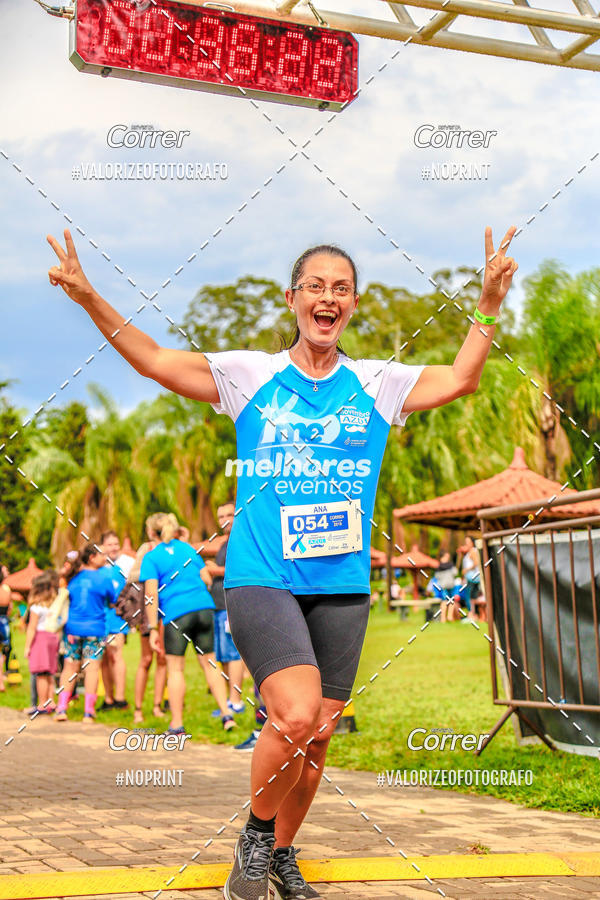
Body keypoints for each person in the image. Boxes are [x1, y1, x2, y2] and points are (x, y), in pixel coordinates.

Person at [47, 224, 517, 900]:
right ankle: (257, 836)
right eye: (316, 287)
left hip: (343, 584)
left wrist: (490, 301)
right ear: (292, 298)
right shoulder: (250, 376)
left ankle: (284, 854)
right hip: (262, 576)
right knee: (293, 716)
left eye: (342, 290)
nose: (329, 299)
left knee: (320, 736)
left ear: (353, 305)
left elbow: (463, 378)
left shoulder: (377, 383)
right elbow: (151, 359)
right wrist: (90, 296)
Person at [138, 512, 234, 733]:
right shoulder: (188, 549)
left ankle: (177, 724)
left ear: (151, 533)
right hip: (204, 607)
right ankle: (227, 716)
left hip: (176, 614)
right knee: (210, 664)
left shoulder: (152, 558)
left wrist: (152, 629)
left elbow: (150, 596)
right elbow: (207, 578)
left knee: (175, 669)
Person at [55, 543, 116, 723]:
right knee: (92, 669)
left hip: (72, 631)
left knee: (69, 667)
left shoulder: (73, 578)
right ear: (92, 558)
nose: (105, 558)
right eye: (102, 555)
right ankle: (88, 712)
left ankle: (61, 708)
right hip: (94, 631)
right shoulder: (104, 578)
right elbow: (112, 600)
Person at [125, 513, 168, 724]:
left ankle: (158, 706)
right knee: (146, 659)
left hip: (167, 606)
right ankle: (138, 709)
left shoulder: (174, 547)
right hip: (148, 606)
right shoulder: (147, 549)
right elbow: (133, 576)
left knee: (162, 658)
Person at [207, 503, 245, 715]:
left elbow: (239, 568)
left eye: (229, 515)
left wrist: (214, 570)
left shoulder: (240, 540)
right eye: (221, 515)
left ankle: (236, 701)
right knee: (224, 655)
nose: (224, 519)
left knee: (233, 654)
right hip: (219, 605)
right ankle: (230, 700)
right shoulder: (224, 543)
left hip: (231, 604)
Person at [99, 530, 133, 710]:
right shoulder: (97, 568)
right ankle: (108, 698)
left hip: (116, 618)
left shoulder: (123, 567)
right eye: (110, 544)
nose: (113, 548)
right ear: (102, 546)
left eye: (115, 544)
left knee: (116, 655)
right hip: (99, 619)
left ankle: (120, 698)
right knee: (103, 658)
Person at [24, 571, 65, 713]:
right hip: (53, 638)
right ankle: (51, 702)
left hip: (40, 639)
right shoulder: (53, 606)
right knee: (50, 672)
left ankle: (42, 704)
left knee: (41, 673)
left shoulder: (36, 607)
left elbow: (31, 628)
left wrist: (27, 647)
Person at [0, 564, 12, 692]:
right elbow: (9, 609)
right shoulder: (7, 589)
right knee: (2, 653)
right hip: (3, 623)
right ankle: (1, 682)